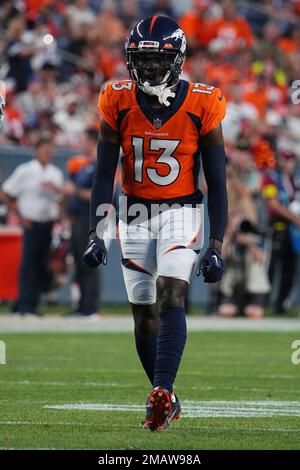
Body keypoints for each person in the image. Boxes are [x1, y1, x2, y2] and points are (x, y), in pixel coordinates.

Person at [83, 16, 227, 431]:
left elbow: (216, 182)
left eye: (155, 60)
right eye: (140, 60)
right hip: (133, 212)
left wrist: (216, 242)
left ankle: (161, 388)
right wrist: (97, 232)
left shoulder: (203, 102)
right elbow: (103, 173)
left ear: (178, 59)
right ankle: (167, 395)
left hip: (181, 209)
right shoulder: (116, 99)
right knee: (143, 315)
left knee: (171, 294)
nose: (146, 68)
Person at [2, 137, 64, 315]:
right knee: (28, 264)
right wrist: (20, 215)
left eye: (50, 149)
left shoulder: (55, 173)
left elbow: (59, 199)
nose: (48, 153)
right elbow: (7, 192)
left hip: (48, 223)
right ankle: (23, 305)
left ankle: (33, 304)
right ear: (37, 150)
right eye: (45, 149)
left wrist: (58, 214)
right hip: (31, 223)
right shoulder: (26, 170)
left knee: (41, 264)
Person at [261, 149, 300, 314]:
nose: (287, 162)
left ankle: (280, 304)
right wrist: (295, 219)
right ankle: (262, 302)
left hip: (293, 232)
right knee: (271, 266)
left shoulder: (295, 180)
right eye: (284, 158)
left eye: (290, 159)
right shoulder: (272, 178)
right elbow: (273, 204)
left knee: (290, 268)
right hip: (278, 228)